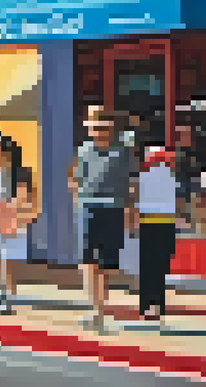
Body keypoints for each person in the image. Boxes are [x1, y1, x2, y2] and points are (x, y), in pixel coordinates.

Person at [69, 107, 134, 333]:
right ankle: (93, 308)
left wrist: (130, 211)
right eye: (94, 127)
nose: (99, 132)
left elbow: (130, 184)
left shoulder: (122, 152)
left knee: (106, 264)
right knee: (88, 260)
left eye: (103, 128)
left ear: (110, 128)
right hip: (88, 207)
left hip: (113, 208)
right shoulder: (84, 150)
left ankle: (101, 309)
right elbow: (77, 178)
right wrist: (77, 198)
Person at [0, 135, 38, 315]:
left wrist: (21, 215)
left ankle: (9, 297)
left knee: (8, 260)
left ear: (5, 151)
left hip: (11, 217)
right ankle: (0, 294)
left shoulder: (19, 172)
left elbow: (28, 197)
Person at [135, 144, 186, 329]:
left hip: (148, 224)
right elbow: (180, 203)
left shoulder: (143, 177)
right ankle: (156, 306)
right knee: (160, 267)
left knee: (148, 268)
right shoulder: (172, 179)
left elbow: (135, 201)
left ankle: (147, 307)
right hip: (165, 224)